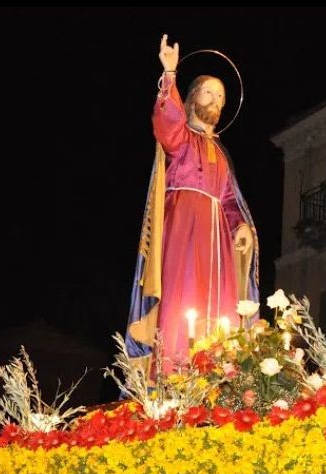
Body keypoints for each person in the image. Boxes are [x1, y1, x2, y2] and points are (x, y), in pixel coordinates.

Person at [127, 34, 259, 372]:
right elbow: (167, 126)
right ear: (192, 98)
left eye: (221, 95)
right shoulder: (183, 139)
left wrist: (240, 226)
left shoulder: (221, 154)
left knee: (221, 309)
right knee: (181, 297)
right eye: (208, 91)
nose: (216, 98)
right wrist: (169, 74)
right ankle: (174, 373)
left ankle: (217, 372)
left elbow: (229, 200)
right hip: (184, 228)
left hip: (218, 243)